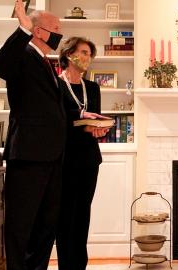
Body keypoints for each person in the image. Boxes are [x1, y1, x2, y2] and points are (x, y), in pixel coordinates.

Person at [0, 1, 66, 269]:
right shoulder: (22, 54)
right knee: (21, 224)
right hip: (28, 156)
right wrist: (22, 29)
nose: (60, 33)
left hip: (52, 157)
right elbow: (1, 67)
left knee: (46, 225)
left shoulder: (46, 61)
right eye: (56, 28)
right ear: (38, 31)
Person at [56, 37, 109, 270]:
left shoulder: (93, 87)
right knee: (65, 215)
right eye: (84, 52)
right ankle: (66, 265)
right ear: (69, 55)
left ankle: (80, 265)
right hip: (65, 159)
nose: (87, 58)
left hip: (89, 160)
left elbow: (95, 120)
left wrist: (100, 129)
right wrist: (81, 125)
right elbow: (56, 122)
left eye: (90, 54)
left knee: (82, 215)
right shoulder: (55, 84)